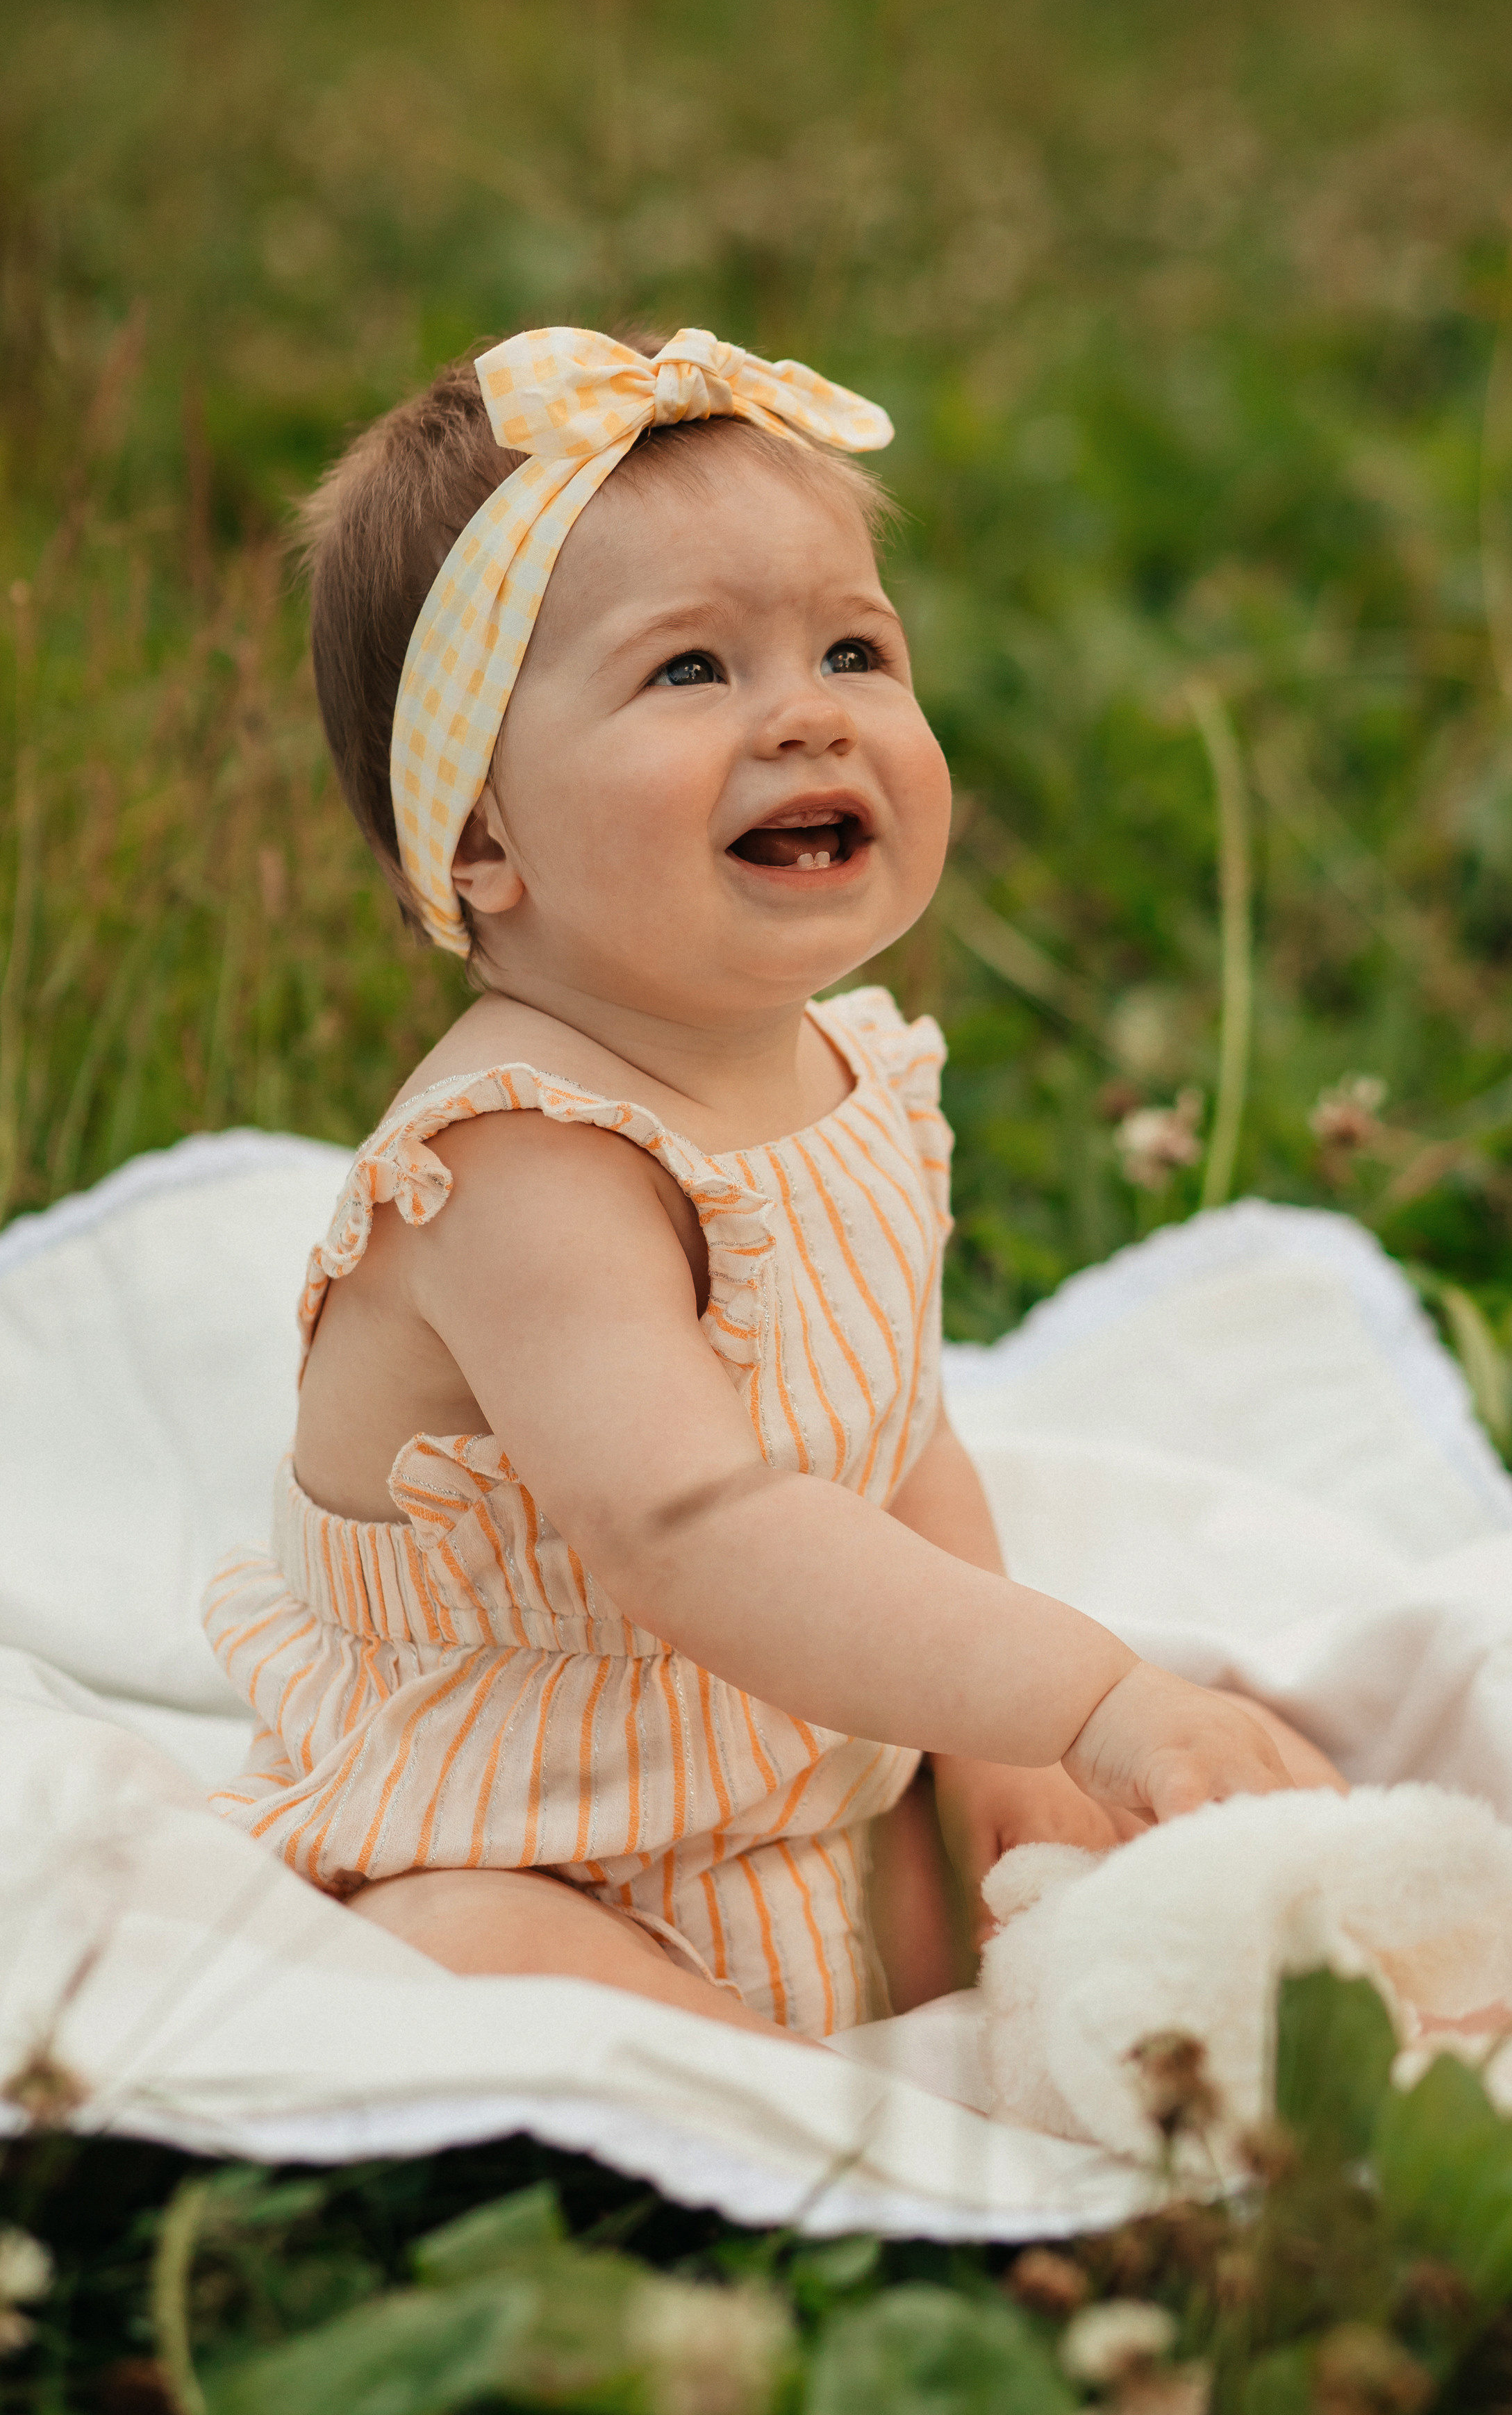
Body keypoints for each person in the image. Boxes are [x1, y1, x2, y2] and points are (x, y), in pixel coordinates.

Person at [205, 326, 1342, 2047]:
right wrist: (1088, 1693)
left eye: (852, 648)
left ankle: (964, 2026)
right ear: (479, 838)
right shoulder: (522, 1164)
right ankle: (782, 2120)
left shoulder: (861, 1072)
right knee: (460, 1958)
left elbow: (901, 1447)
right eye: (687, 672)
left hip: (790, 1745)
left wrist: (1006, 1749)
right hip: (541, 1821)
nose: (805, 712)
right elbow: (698, 1535)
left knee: (1206, 1798)